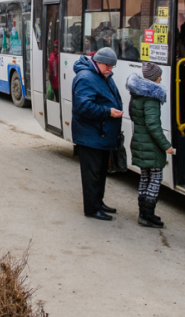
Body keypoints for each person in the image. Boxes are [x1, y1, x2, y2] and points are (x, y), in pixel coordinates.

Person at [71, 46, 123, 221]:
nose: (110, 69)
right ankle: (92, 209)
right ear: (98, 62)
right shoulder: (86, 78)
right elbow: (83, 107)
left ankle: (98, 202)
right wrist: (108, 112)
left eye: (112, 66)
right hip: (90, 135)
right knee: (92, 174)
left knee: (100, 172)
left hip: (100, 134)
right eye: (108, 66)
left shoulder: (102, 75)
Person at [126, 62, 173, 228]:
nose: (161, 78)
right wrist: (167, 145)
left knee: (145, 177)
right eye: (159, 75)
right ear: (154, 78)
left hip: (139, 142)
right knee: (155, 178)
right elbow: (153, 126)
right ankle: (148, 214)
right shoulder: (152, 98)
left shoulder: (136, 95)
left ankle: (143, 214)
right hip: (151, 146)